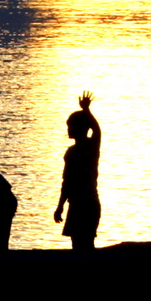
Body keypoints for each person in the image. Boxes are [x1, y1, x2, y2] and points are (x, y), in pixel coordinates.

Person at [53, 91, 101, 251]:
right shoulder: (71, 152)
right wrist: (60, 206)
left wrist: (86, 110)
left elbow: (97, 130)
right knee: (78, 245)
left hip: (87, 204)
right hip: (77, 204)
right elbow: (67, 182)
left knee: (85, 244)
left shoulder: (91, 147)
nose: (69, 129)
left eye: (71, 126)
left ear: (81, 128)